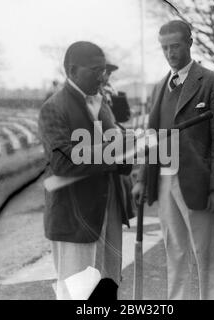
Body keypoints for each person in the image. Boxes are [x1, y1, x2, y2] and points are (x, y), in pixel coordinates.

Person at [132, 20, 214, 300]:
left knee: (205, 253)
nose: (170, 53)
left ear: (190, 43)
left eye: (175, 46)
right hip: (165, 181)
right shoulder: (158, 88)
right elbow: (151, 137)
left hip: (199, 184)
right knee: (174, 250)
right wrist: (142, 179)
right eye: (164, 48)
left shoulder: (213, 83)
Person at [38, 41, 133, 300]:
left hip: (108, 209)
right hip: (74, 215)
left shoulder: (101, 104)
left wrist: (133, 149)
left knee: (107, 285)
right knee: (78, 292)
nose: (103, 76)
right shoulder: (53, 108)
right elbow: (63, 162)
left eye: (104, 69)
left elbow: (117, 148)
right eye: (95, 69)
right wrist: (115, 154)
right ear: (72, 70)